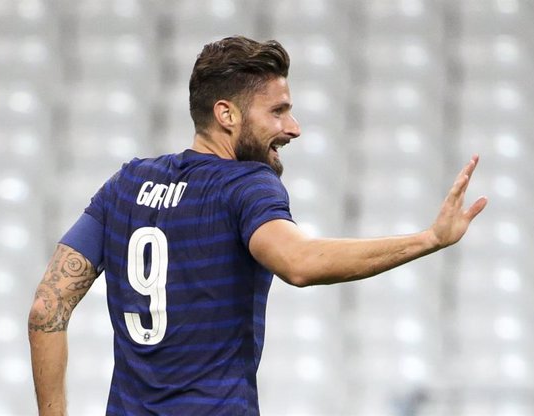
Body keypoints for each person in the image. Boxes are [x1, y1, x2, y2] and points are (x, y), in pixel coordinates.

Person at [28, 35, 487, 415]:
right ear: (226, 114)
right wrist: (428, 239)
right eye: (278, 111)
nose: (294, 127)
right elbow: (299, 263)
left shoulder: (125, 185)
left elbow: (46, 310)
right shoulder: (247, 185)